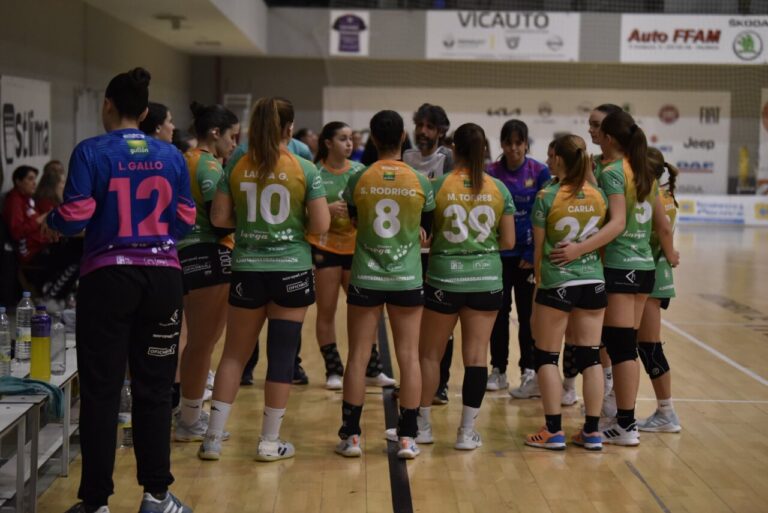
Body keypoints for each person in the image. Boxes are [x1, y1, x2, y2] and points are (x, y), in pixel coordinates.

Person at [47, 68, 195, 513]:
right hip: (162, 279)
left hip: (107, 279)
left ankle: (95, 503)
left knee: (102, 391)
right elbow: (185, 221)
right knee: (153, 389)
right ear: (146, 112)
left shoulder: (91, 151)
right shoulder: (171, 157)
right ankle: (157, 496)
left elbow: (74, 217)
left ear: (106, 105)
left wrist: (52, 221)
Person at [199, 97, 329, 462]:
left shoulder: (237, 165)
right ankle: (269, 443)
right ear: (290, 129)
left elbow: (221, 218)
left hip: (247, 268)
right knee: (282, 356)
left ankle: (212, 439)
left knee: (233, 356)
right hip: (291, 270)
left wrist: (254, 226)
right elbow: (321, 226)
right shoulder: (305, 167)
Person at [551, 110, 679, 446]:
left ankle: (625, 424)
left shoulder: (613, 173)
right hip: (645, 270)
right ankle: (624, 421)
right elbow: (663, 225)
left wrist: (579, 249)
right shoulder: (643, 172)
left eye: (598, 130)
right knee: (626, 347)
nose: (593, 134)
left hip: (621, 267)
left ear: (609, 138)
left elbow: (617, 222)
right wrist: (671, 253)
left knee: (621, 349)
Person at [335, 110, 434, 460]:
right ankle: (407, 437)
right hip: (407, 277)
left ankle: (351, 436)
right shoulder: (420, 181)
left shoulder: (359, 178)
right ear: (403, 137)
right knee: (409, 356)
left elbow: (355, 220)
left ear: (373, 139)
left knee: (359, 356)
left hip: (365, 275)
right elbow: (427, 228)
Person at [417, 123, 515, 450]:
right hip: (486, 279)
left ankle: (423, 426)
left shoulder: (438, 185)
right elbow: (509, 241)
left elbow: (426, 236)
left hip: (445, 276)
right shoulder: (499, 188)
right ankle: (466, 432)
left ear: (453, 148)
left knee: (430, 355)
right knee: (476, 357)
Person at [524, 135, 608, 451]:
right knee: (590, 357)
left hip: (556, 282)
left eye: (550, 154)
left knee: (545, 356)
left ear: (560, 158)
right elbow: (601, 242)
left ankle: (553, 430)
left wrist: (538, 287)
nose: (547, 160)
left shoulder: (547, 196)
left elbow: (538, 253)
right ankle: (592, 431)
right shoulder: (598, 195)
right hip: (592, 282)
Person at [307, 121, 395, 390]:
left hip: (357, 250)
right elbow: (302, 215)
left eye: (350, 139)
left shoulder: (359, 172)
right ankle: (333, 369)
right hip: (325, 249)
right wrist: (326, 210)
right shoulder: (315, 173)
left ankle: (372, 368)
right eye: (343, 139)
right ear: (328, 143)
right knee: (327, 311)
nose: (349, 143)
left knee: (366, 313)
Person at [174, 102, 239, 442]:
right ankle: (188, 421)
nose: (234, 143)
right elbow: (220, 216)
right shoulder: (209, 166)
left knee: (194, 342)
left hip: (182, 253)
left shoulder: (182, 160)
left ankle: (186, 414)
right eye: (232, 136)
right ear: (215, 133)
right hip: (210, 257)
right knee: (202, 344)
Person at [486, 119, 551, 397]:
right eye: (508, 142)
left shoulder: (539, 171)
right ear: (501, 144)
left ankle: (529, 369)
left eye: (519, 142)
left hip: (527, 256)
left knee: (528, 316)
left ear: (526, 144)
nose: (514, 148)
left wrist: (532, 252)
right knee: (497, 315)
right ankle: (498, 369)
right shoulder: (491, 172)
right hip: (499, 255)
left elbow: (547, 213)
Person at [403, 103, 455, 405]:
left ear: (441, 131)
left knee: (440, 324)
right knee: (412, 322)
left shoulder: (447, 159)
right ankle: (414, 383)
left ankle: (441, 384)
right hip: (411, 250)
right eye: (419, 125)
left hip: (437, 251)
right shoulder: (406, 157)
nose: (423, 132)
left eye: (429, 127)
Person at [637, 148, 681, 433]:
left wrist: (671, 253)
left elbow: (665, 231)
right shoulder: (665, 194)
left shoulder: (654, 196)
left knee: (649, 345)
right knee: (644, 344)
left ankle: (666, 412)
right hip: (655, 274)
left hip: (652, 275)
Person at [2, 164, 80, 303]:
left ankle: (58, 294)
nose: (34, 183)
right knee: (75, 255)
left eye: (35, 179)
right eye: (30, 179)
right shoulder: (14, 201)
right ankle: (52, 296)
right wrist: (42, 218)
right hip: (31, 251)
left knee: (78, 250)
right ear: (18, 181)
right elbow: (17, 231)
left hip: (42, 245)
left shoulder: (29, 200)